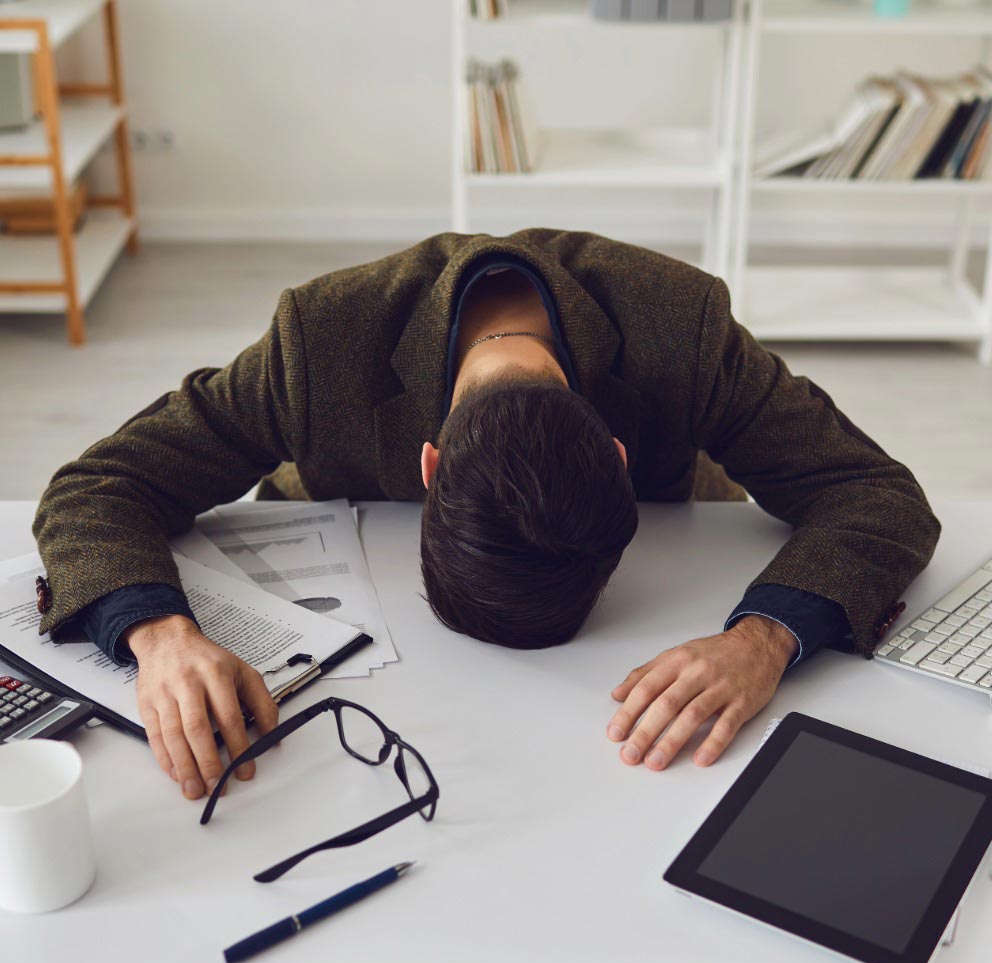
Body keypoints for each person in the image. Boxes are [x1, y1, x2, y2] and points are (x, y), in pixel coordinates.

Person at [33, 229, 939, 801]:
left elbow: (874, 492)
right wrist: (159, 635)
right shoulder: (318, 340)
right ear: (428, 469)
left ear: (618, 462)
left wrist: (764, 639)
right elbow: (98, 484)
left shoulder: (685, 328)